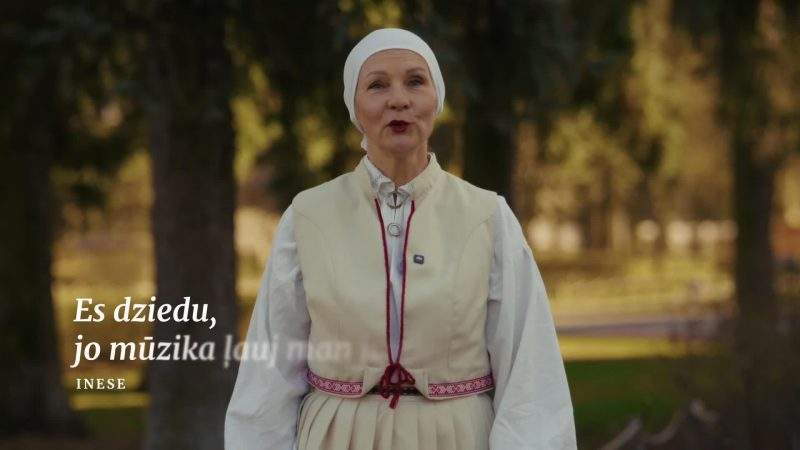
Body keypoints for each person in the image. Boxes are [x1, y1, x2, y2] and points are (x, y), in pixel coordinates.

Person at [224, 28, 577, 450]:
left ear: (436, 99)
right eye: (377, 85)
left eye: (415, 81)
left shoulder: (487, 216)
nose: (398, 100)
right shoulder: (308, 217)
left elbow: (528, 370)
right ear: (354, 107)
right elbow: (270, 373)